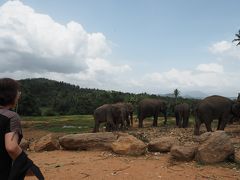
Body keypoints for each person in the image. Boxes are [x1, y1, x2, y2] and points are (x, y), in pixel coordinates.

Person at [0, 78, 44, 180]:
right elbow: (11, 147)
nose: (19, 95)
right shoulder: (11, 116)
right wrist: (26, 166)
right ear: (11, 95)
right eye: (18, 92)